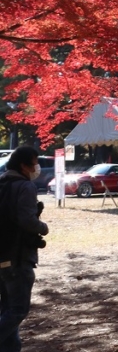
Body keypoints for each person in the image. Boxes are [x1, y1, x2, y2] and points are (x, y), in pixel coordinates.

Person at [0, 146, 49, 352]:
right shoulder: (25, 187)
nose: (37, 167)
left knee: (7, 308)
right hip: (18, 255)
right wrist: (43, 228)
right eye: (34, 162)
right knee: (18, 310)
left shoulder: (2, 183)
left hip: (2, 255)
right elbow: (26, 220)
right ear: (23, 165)